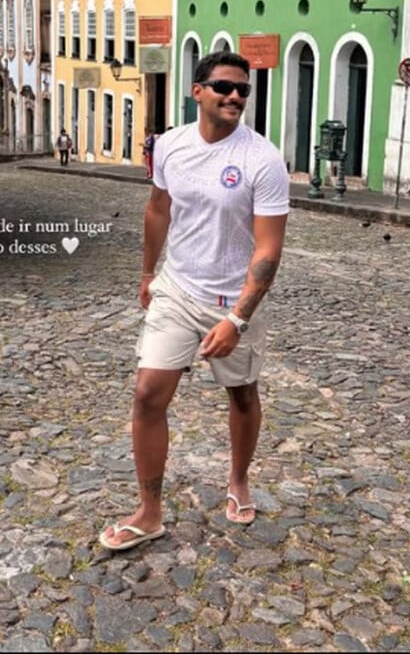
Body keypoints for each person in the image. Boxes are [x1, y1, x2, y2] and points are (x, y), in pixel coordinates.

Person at [100, 50, 289, 551]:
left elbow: (268, 250)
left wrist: (238, 319)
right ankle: (149, 511)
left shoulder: (263, 160)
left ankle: (239, 479)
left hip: (235, 299)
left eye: (243, 90)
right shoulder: (170, 146)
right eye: (225, 86)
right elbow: (158, 209)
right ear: (197, 91)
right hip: (178, 289)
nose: (235, 96)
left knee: (243, 394)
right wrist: (147, 273)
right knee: (147, 394)